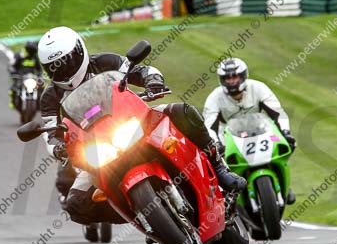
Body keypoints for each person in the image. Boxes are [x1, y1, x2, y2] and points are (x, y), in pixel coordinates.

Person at [38, 26, 245, 226]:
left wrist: (152, 80)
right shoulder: (50, 97)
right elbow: (50, 133)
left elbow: (141, 70)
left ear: (80, 51)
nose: (63, 69)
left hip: (134, 121)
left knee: (183, 111)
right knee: (76, 204)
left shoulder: (104, 61)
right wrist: (58, 147)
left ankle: (219, 167)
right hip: (97, 150)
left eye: (67, 61)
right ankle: (140, 215)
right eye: (55, 66)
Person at [203, 58, 296, 202]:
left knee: (287, 146)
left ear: (243, 76)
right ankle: (229, 197)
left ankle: (285, 185)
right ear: (222, 80)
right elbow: (209, 126)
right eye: (227, 78)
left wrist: (286, 132)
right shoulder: (214, 98)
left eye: (235, 76)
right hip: (228, 135)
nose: (232, 81)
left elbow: (278, 113)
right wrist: (216, 144)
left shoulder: (258, 87)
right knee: (219, 164)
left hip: (261, 128)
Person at [9, 40, 44, 109]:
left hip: (32, 78)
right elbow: (12, 65)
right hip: (20, 77)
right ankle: (13, 102)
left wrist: (40, 75)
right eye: (31, 51)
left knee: (42, 88)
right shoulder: (19, 56)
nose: (32, 53)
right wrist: (13, 72)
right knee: (13, 88)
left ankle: (41, 104)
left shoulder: (34, 58)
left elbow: (39, 69)